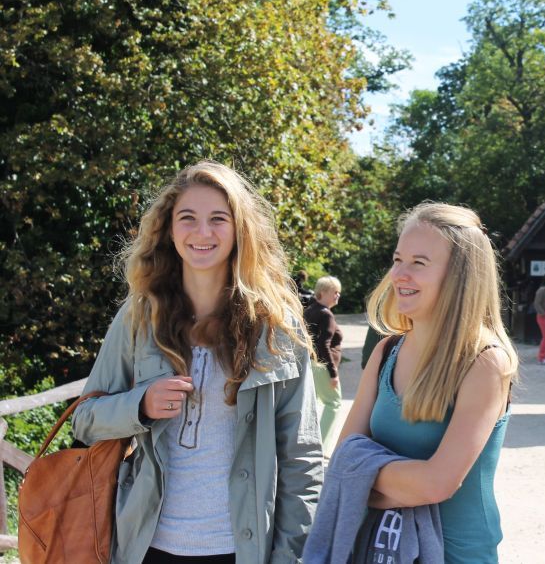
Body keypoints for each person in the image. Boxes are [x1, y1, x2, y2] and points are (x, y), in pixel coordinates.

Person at [72, 160, 322, 563]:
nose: (202, 232)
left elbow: (302, 459)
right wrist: (140, 405)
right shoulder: (139, 317)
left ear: (240, 229)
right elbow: (84, 421)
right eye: (187, 218)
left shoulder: (276, 327)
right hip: (145, 547)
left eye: (218, 219)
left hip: (242, 549)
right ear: (169, 230)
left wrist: (288, 556)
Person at [337, 202, 519, 563]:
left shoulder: (485, 363)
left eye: (418, 263)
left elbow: (438, 483)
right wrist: (403, 483)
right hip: (382, 548)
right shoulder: (387, 351)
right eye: (397, 260)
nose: (398, 274)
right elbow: (343, 459)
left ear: (460, 276)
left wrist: (363, 477)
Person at [304, 275, 344, 458]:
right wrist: (333, 373)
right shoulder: (326, 314)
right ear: (323, 292)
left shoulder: (310, 310)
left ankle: (311, 444)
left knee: (314, 403)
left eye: (339, 292)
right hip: (321, 366)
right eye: (334, 292)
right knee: (333, 403)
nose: (337, 296)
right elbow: (323, 344)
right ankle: (321, 447)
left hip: (311, 364)